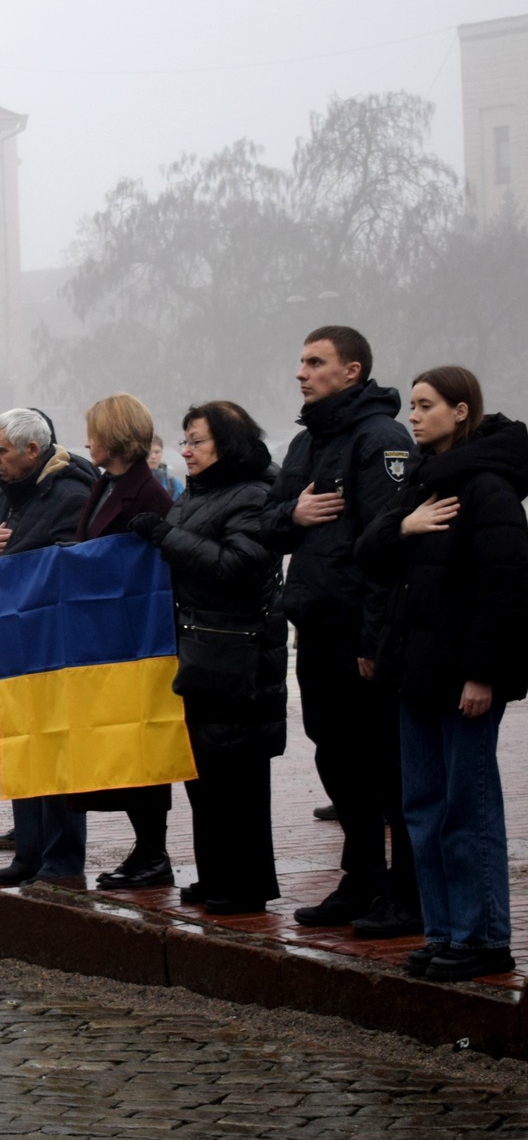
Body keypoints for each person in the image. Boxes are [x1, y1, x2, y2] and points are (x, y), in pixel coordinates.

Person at [356, 367, 527, 980]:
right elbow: (370, 556)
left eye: (427, 406)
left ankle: (483, 938)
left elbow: (504, 590)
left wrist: (482, 675)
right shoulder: (422, 485)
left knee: (468, 807)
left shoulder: (488, 487)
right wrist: (403, 526)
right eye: (415, 406)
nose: (415, 416)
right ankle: (444, 931)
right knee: (421, 807)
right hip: (414, 676)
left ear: (461, 411)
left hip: (462, 680)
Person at [264, 325, 417, 934]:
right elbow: (269, 524)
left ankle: (407, 891)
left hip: (360, 631)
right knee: (336, 756)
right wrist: (294, 514)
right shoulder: (307, 442)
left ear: (351, 370)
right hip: (317, 625)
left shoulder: (381, 439)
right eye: (300, 360)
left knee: (385, 764)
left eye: (315, 362)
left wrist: (373, 641)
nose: (301, 372)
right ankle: (363, 879)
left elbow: (386, 547)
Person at [127, 401, 288, 915]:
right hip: (200, 650)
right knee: (204, 773)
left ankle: (245, 884)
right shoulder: (200, 493)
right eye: (185, 440)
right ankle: (216, 873)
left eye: (197, 440)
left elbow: (238, 565)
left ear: (227, 444)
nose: (186, 450)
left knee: (237, 777)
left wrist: (165, 536)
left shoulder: (256, 494)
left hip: (236, 654)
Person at [0, 407, 98, 885]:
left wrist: (4, 558)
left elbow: (72, 566)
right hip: (12, 645)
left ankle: (62, 862)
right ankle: (28, 853)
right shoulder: (4, 495)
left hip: (55, 648)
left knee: (58, 754)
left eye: (0, 450)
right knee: (22, 750)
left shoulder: (72, 494)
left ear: (32, 451)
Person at [70, 394, 180, 891]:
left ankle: (154, 853)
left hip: (137, 640)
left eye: (93, 432)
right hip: (107, 639)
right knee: (124, 742)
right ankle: (145, 850)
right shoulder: (105, 485)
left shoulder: (147, 494)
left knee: (143, 743)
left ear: (114, 436)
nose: (87, 441)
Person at [149, 434, 186, 500]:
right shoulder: (134, 481)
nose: (153, 456)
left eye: (157, 452)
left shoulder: (173, 483)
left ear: (162, 453)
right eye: (149, 452)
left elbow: (182, 508)